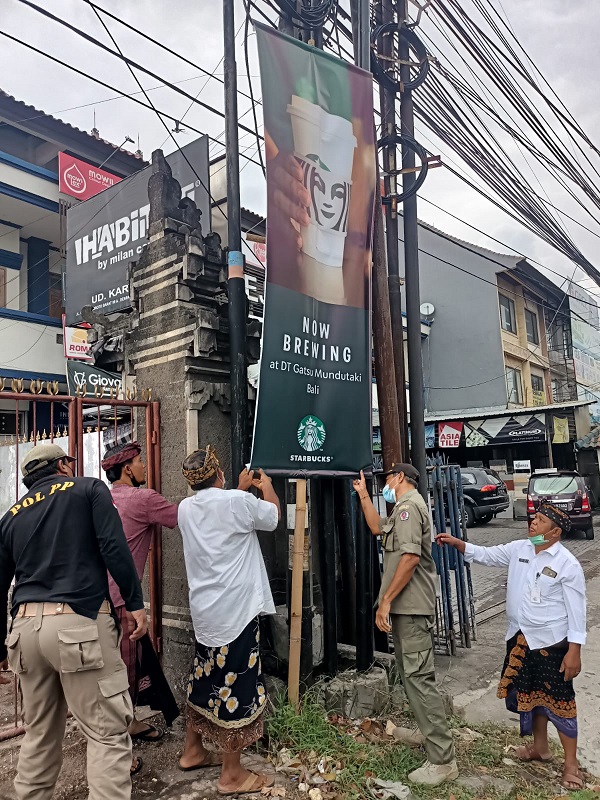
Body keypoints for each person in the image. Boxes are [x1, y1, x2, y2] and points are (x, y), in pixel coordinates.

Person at [0, 443, 148, 800]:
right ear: (63, 466)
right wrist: (134, 603)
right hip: (77, 623)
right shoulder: (88, 489)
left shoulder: (11, 516)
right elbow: (113, 546)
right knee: (107, 733)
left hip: (24, 632)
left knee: (39, 735)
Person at [437, 502, 586, 790]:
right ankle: (540, 749)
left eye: (540, 521)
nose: (533, 523)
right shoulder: (520, 549)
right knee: (532, 698)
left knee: (561, 704)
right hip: (519, 639)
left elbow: (577, 611)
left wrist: (574, 650)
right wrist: (459, 544)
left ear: (555, 532)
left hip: (551, 645)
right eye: (534, 518)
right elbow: (487, 555)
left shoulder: (567, 564)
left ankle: (571, 765)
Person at [177, 446, 280, 796]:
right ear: (218, 474)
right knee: (236, 686)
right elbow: (273, 518)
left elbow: (219, 509)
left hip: (205, 614)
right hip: (235, 614)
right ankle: (231, 773)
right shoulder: (237, 502)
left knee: (204, 677)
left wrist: (236, 489)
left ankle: (193, 750)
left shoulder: (185, 508)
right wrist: (265, 486)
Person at [354, 463, 458, 786]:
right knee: (410, 675)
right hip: (405, 609)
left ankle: (443, 759)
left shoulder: (409, 509)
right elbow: (376, 529)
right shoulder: (402, 509)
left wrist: (385, 601)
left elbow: (410, 558)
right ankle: (428, 734)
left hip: (410, 608)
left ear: (400, 478)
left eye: (387, 479)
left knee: (418, 677)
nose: (385, 483)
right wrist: (362, 496)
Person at [102, 441, 180, 774]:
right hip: (123, 603)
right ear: (126, 469)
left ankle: (129, 724)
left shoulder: (100, 500)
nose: (144, 466)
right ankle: (120, 756)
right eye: (138, 462)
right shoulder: (143, 499)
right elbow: (181, 517)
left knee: (110, 673)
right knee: (124, 676)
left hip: (94, 600)